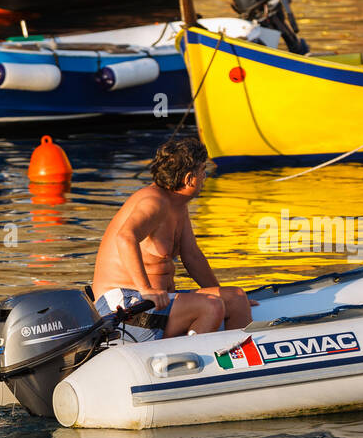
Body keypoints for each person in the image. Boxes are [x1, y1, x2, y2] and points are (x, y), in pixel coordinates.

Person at [92, 136, 254, 342]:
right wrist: (146, 289)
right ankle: (195, 366)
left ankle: (237, 363)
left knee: (237, 299)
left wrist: (222, 292)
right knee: (211, 306)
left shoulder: (178, 205)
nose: (206, 176)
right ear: (189, 178)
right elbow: (125, 237)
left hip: (155, 305)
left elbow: (192, 256)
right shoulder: (154, 202)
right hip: (123, 309)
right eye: (203, 170)